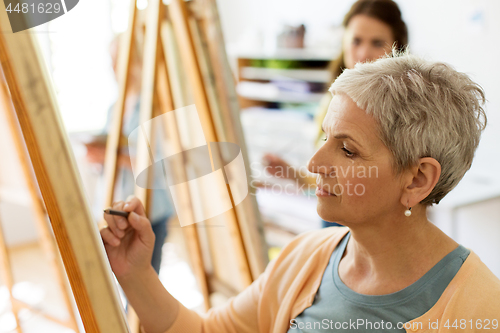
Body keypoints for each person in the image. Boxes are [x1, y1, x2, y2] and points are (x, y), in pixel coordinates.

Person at [100, 51, 500, 333]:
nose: (313, 164)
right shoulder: (304, 258)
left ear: (416, 180)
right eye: (325, 136)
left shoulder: (481, 310)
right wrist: (135, 273)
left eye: (347, 149)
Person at [263, 0, 408, 228]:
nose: (363, 54)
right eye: (356, 41)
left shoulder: (404, 113)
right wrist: (292, 175)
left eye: (377, 43)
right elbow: (331, 180)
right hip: (334, 228)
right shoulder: (331, 101)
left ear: (398, 47)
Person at [86, 35, 174, 274]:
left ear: (135, 61)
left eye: (118, 59)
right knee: (118, 277)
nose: (112, 67)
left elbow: (157, 166)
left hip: (148, 209)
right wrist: (97, 158)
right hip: (115, 207)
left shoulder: (153, 107)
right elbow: (108, 160)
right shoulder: (114, 108)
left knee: (144, 281)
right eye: (111, 60)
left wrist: (113, 158)